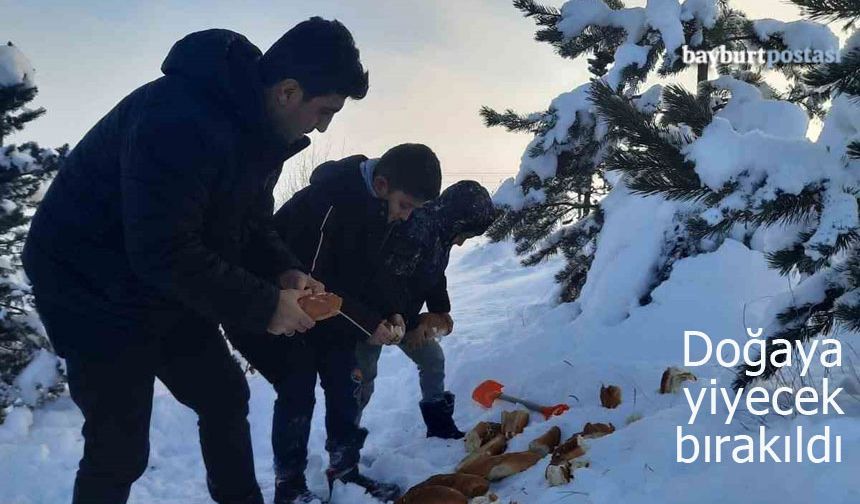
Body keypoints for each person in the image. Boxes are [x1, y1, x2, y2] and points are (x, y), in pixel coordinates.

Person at [22, 18, 368, 504]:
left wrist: (283, 270)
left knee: (225, 397)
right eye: (325, 109)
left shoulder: (259, 133)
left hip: (160, 277)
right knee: (119, 446)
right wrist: (267, 305)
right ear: (288, 91)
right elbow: (161, 248)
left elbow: (249, 224)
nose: (325, 124)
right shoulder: (180, 117)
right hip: (87, 284)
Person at [229, 144, 442, 503]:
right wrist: (368, 323)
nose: (406, 216)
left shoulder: (380, 210)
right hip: (276, 309)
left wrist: (392, 312)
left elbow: (371, 272)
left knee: (347, 383)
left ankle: (345, 472)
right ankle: (290, 486)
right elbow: (314, 284)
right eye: (405, 205)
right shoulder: (328, 201)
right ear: (382, 184)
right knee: (297, 389)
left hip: (329, 314)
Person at [355, 180, 496, 439]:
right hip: (371, 316)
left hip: (404, 318)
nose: (463, 242)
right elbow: (388, 280)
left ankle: (439, 425)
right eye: (466, 234)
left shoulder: (440, 235)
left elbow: (433, 276)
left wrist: (439, 311)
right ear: (458, 221)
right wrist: (406, 324)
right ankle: (343, 452)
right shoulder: (415, 228)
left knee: (432, 359)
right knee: (362, 381)